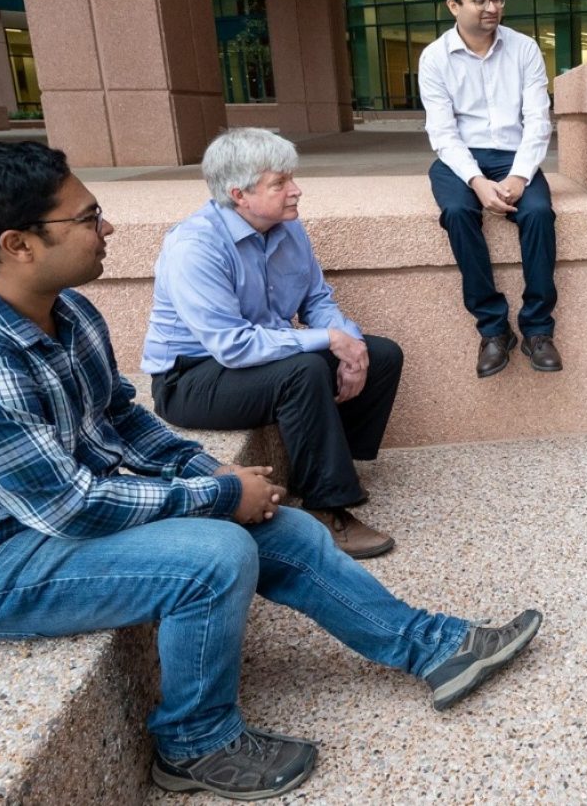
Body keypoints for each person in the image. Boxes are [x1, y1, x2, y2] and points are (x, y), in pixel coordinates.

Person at [0, 141, 543, 802]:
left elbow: (120, 421)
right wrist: (222, 493)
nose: (107, 228)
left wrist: (207, 471)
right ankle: (194, 744)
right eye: (88, 218)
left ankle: (433, 647)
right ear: (17, 244)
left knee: (287, 528)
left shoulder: (68, 311)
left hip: (60, 515)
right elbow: (71, 509)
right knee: (215, 552)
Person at [141, 128, 400, 559]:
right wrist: (328, 340)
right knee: (305, 370)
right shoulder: (195, 246)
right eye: (280, 184)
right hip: (190, 378)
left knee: (381, 353)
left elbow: (317, 301)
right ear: (239, 194)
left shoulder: (287, 230)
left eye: (291, 179)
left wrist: (349, 343)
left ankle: (329, 470)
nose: (296, 191)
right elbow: (233, 346)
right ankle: (326, 508)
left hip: (256, 357)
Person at [418, 0, 561, 378]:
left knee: (537, 213)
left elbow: (538, 120)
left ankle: (537, 329)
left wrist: (519, 175)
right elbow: (443, 134)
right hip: (461, 157)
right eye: (480, 0)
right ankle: (494, 330)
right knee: (460, 212)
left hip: (514, 155)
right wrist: (477, 182)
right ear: (453, 5)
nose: (492, 8)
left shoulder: (524, 49)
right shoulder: (435, 58)